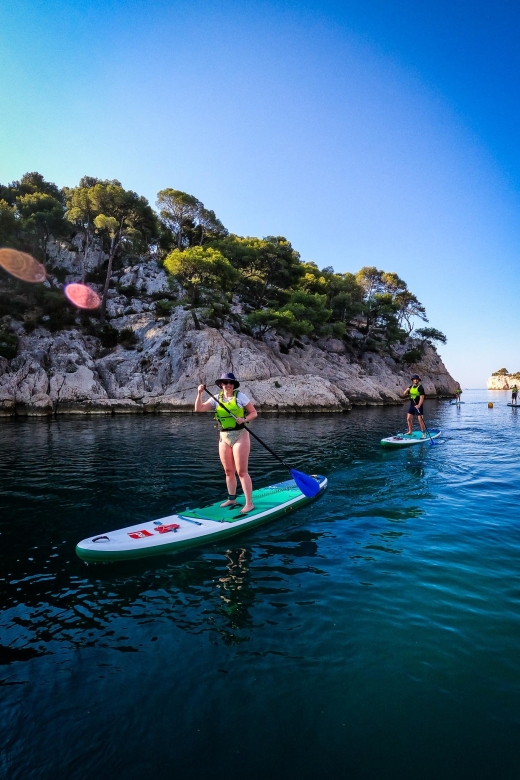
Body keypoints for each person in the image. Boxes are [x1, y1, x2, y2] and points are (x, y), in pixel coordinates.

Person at [195, 372, 258, 514]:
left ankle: (249, 503)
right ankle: (232, 499)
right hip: (223, 436)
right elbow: (198, 409)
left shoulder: (240, 397)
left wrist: (245, 419)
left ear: (234, 384)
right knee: (229, 471)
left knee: (241, 472)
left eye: (231, 383)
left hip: (240, 435)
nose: (228, 385)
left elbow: (253, 413)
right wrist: (199, 393)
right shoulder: (216, 399)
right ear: (221, 384)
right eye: (225, 382)